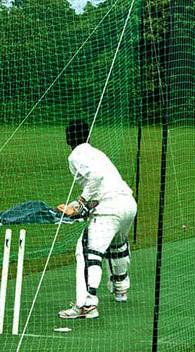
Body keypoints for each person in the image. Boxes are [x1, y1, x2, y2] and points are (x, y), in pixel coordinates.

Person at [56, 119, 137, 320]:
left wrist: (80, 202)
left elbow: (97, 178)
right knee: (117, 245)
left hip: (110, 208)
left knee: (86, 252)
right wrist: (80, 207)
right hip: (128, 203)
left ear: (68, 139)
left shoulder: (75, 156)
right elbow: (102, 186)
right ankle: (120, 290)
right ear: (88, 136)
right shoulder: (97, 152)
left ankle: (86, 305)